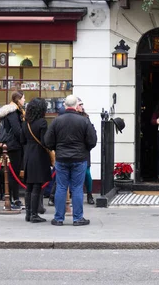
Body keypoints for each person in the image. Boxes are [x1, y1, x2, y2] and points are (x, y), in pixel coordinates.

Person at [45, 95, 97, 226]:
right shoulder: (83, 121)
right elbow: (92, 140)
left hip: (61, 158)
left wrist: (56, 149)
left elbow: (48, 141)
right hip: (79, 158)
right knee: (77, 188)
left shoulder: (57, 121)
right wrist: (84, 150)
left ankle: (58, 218)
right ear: (76, 105)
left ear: (64, 105)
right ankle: (78, 218)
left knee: (61, 187)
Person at [20, 98, 51, 223]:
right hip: (39, 155)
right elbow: (45, 142)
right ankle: (34, 214)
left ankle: (28, 214)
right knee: (37, 186)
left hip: (28, 155)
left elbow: (22, 140)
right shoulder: (42, 123)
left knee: (28, 186)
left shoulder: (25, 123)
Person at [0, 91, 25, 209]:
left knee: (15, 172)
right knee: (14, 173)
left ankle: (15, 199)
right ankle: (14, 199)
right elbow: (17, 130)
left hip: (14, 145)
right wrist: (25, 139)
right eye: (23, 98)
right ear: (18, 99)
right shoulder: (13, 112)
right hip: (14, 145)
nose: (24, 100)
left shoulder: (15, 111)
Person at [77, 97, 95, 204]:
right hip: (73, 150)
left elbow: (91, 134)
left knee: (87, 173)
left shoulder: (86, 118)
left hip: (84, 149)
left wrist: (88, 146)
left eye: (82, 104)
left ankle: (89, 194)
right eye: (80, 104)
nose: (82, 107)